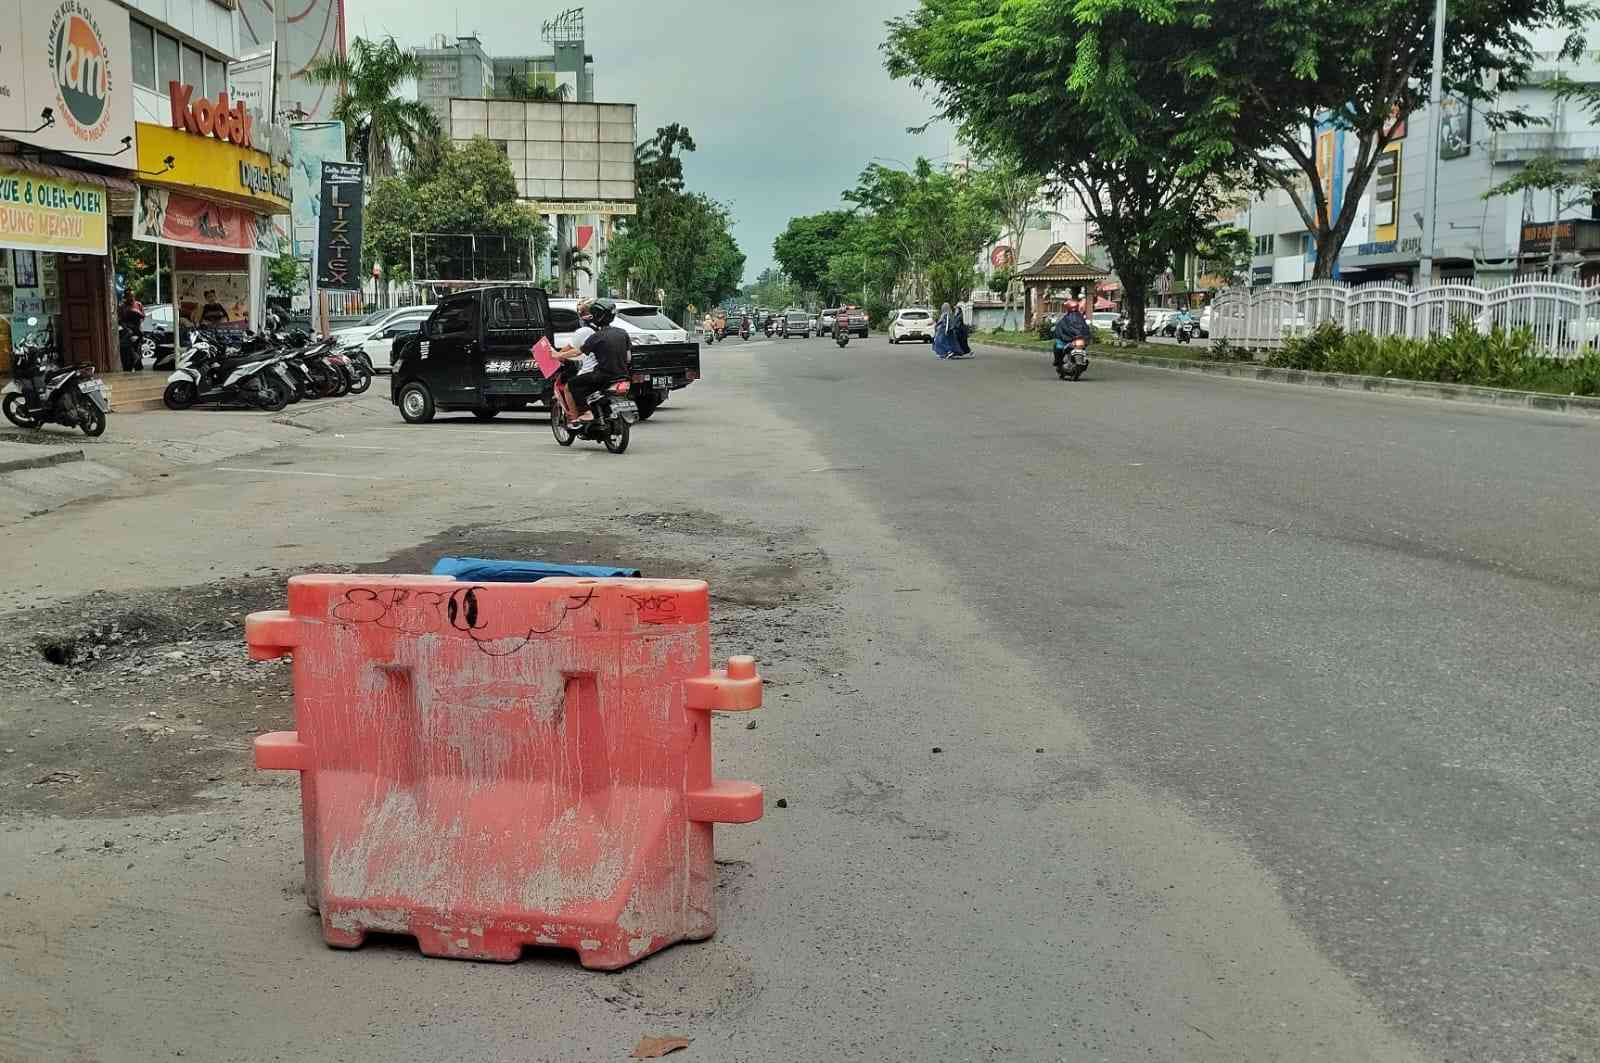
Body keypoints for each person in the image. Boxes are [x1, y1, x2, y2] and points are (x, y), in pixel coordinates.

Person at [555, 297, 630, 426]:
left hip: (602, 376)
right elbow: (628, 357)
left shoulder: (596, 336)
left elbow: (578, 352)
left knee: (571, 385)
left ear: (596, 316)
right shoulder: (622, 333)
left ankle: (585, 413)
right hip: (623, 375)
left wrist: (558, 355)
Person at [1052, 299, 1091, 373]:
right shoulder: (1078, 318)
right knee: (1058, 346)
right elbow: (1059, 328)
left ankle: (1059, 362)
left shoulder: (1077, 318)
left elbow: (1059, 329)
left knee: (1058, 346)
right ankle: (1059, 362)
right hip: (1071, 340)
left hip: (1074, 340)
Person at [118, 290, 145, 371]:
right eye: (129, 296)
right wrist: (128, 330)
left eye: (132, 296)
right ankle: (129, 366)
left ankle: (138, 365)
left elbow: (143, 317)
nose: (131, 298)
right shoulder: (122, 306)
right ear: (126, 297)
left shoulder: (138, 304)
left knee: (138, 348)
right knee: (127, 349)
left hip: (137, 330)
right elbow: (120, 320)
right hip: (127, 330)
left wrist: (139, 328)